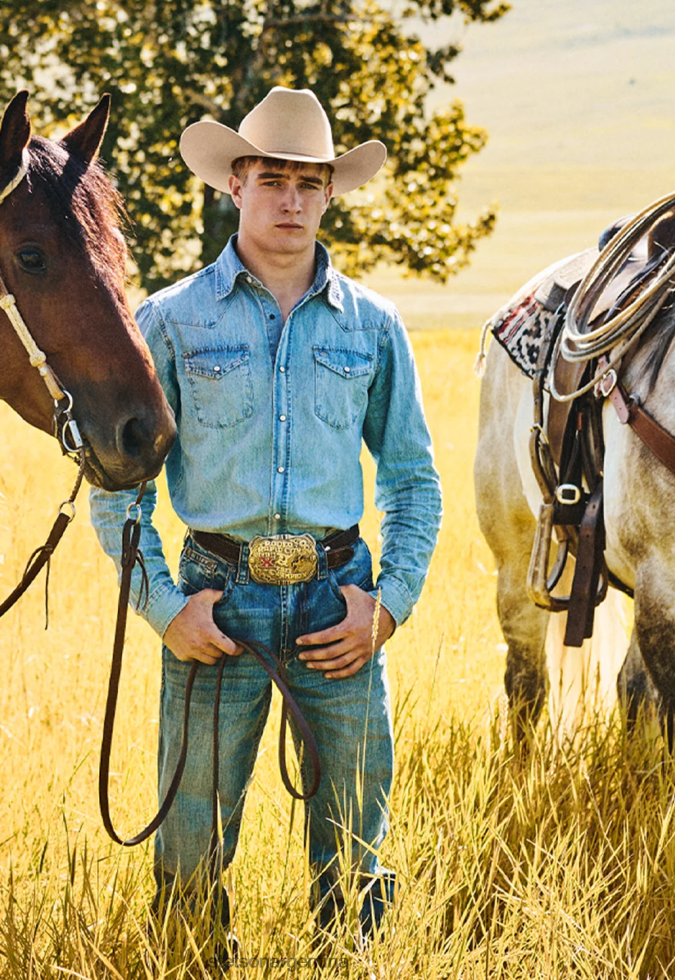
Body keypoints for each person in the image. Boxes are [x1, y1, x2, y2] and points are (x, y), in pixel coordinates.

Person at [90, 86, 442, 961]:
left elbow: (412, 482)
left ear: (330, 193)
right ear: (235, 183)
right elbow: (117, 492)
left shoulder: (374, 326)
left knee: (358, 855)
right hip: (217, 606)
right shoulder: (168, 322)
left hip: (338, 606)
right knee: (188, 848)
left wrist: (385, 607)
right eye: (272, 177)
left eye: (309, 182)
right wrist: (167, 610)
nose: (291, 198)